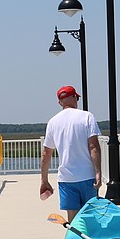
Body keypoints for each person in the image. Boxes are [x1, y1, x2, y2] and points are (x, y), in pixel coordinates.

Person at [40, 85, 102, 222]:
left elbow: (46, 154)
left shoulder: (53, 122)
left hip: (66, 178)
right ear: (75, 97)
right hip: (87, 177)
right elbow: (94, 147)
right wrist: (98, 172)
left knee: (73, 220)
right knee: (91, 218)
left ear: (60, 102)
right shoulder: (87, 117)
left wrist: (44, 181)